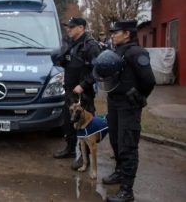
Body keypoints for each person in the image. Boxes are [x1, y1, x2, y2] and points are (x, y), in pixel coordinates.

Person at [93, 20, 155, 202]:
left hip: (129, 106)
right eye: (112, 32)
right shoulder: (116, 51)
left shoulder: (137, 52)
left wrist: (138, 96)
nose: (112, 34)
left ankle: (127, 191)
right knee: (116, 141)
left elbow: (149, 80)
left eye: (116, 32)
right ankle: (119, 172)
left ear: (127, 33)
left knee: (128, 146)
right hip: (115, 103)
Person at [51, 17, 101, 168]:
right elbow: (67, 62)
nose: (69, 30)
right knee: (69, 122)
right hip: (70, 92)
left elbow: (98, 70)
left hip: (83, 94)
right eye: (68, 27)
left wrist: (84, 85)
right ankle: (70, 149)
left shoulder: (91, 46)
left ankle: (84, 157)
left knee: (84, 125)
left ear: (81, 27)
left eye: (72, 27)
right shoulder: (72, 44)